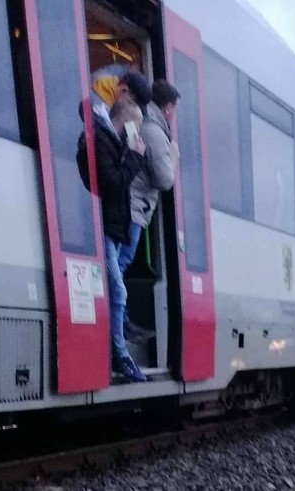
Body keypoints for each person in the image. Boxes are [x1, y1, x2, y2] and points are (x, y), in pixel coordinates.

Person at [77, 99, 148, 383]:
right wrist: (134, 157)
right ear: (128, 124)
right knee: (117, 291)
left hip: (112, 229)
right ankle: (120, 355)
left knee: (112, 289)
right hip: (103, 229)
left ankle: (113, 350)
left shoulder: (107, 141)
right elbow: (112, 183)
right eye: (136, 128)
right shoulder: (101, 141)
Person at [116, 80, 180, 342]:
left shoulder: (143, 122)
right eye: (173, 110)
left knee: (120, 265)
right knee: (120, 266)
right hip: (134, 209)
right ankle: (120, 326)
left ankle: (122, 321)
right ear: (167, 108)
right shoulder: (154, 131)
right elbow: (165, 180)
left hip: (130, 207)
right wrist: (173, 157)